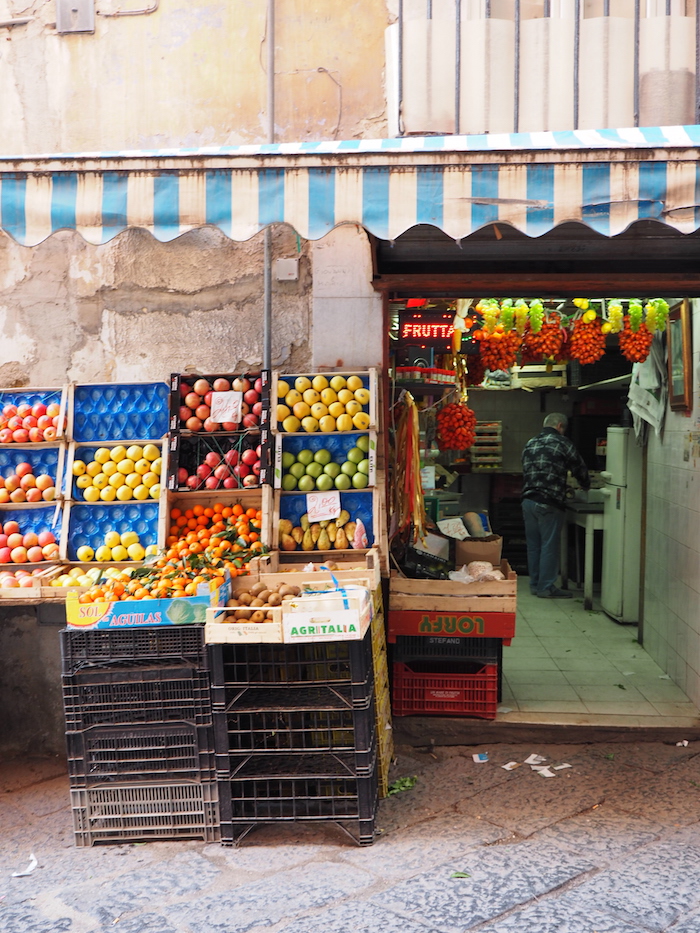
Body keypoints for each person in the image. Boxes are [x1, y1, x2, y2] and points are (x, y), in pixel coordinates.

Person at [521, 412, 590, 599]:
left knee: (534, 546)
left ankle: (535, 585)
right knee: (549, 546)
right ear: (560, 426)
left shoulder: (530, 443)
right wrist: (586, 486)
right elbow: (579, 468)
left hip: (528, 501)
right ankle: (546, 587)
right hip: (549, 502)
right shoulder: (562, 443)